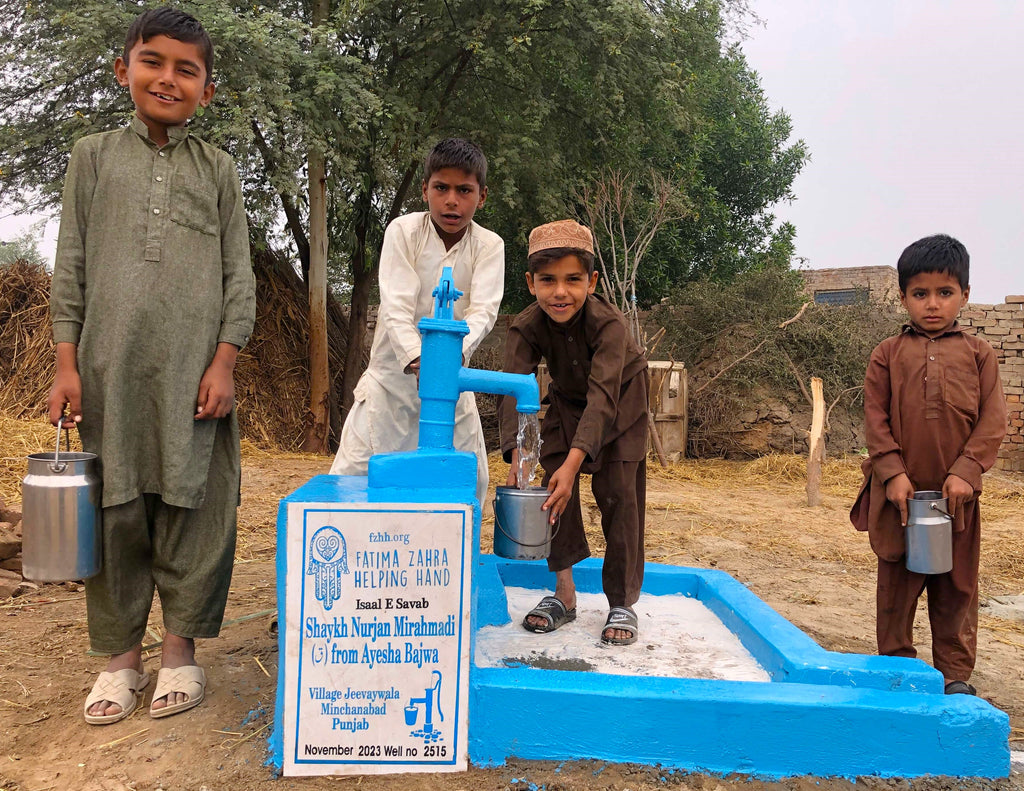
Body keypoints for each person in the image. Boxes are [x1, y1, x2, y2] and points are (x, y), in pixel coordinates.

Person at [48, 6, 256, 724]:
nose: (169, 79)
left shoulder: (220, 171)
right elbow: (70, 264)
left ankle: (178, 655)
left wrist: (225, 360)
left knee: (195, 509)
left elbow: (239, 277)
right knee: (116, 514)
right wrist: (66, 363)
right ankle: (119, 662)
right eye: (154, 62)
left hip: (196, 377)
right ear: (123, 69)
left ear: (207, 88)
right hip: (107, 376)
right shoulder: (93, 155)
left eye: (186, 70)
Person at [851, 234, 1006, 695]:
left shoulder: (979, 354)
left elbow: (993, 421)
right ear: (903, 298)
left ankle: (954, 675)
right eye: (920, 294)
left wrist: (967, 471)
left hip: (957, 500)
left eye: (945, 293)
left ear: (965, 295)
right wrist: (893, 474)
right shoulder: (887, 354)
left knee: (957, 587)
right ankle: (897, 668)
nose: (932, 304)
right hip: (898, 499)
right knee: (897, 586)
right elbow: (875, 420)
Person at [499, 220, 649, 646]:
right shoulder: (525, 326)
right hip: (566, 400)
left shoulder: (610, 325)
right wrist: (516, 454)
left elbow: (603, 399)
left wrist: (576, 461)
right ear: (530, 283)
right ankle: (564, 594)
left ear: (592, 281)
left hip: (621, 400)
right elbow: (513, 391)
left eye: (572, 280)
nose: (559, 292)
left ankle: (621, 601)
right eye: (547, 280)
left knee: (618, 493)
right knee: (550, 485)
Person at [329, 138, 504, 505]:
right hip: (391, 384)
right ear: (425, 190)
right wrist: (419, 359)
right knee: (352, 481)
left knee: (470, 485)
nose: (451, 200)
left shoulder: (490, 246)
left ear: (482, 196)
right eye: (441, 188)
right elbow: (396, 306)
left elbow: (484, 312)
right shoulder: (404, 232)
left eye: (464, 190)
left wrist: (446, 362)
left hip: (451, 388)